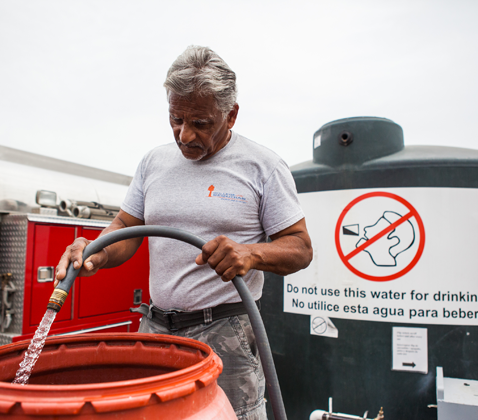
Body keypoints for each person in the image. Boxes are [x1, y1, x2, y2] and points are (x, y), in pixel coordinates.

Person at [55, 45, 312, 420]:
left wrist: (250, 254)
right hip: (156, 328)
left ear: (231, 115)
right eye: (175, 119)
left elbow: (300, 249)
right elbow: (127, 227)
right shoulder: (153, 162)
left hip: (226, 332)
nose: (184, 134)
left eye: (201, 123)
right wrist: (96, 250)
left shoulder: (264, 166)